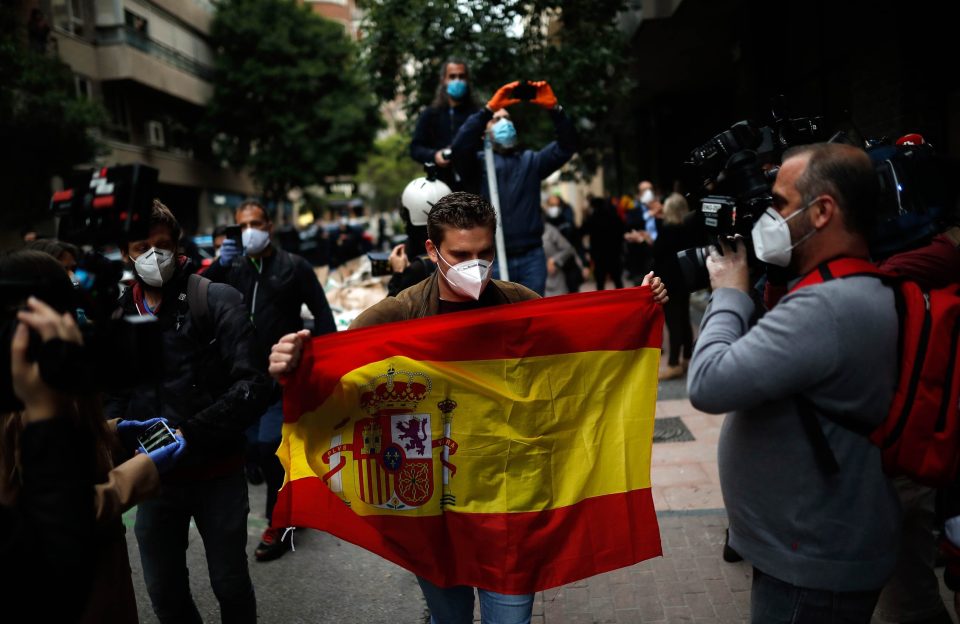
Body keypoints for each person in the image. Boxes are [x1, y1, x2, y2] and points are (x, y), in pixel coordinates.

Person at [268, 192, 667, 624]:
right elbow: (334, 378)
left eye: (483, 253)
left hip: (510, 510)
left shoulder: (520, 306)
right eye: (460, 254)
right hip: (436, 518)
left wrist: (637, 309)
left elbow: (585, 358)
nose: (474, 265)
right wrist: (290, 366)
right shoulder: (398, 316)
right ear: (432, 250)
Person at [687, 143, 901, 622]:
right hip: (812, 552)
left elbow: (707, 383)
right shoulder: (850, 288)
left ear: (822, 211)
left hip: (812, 569)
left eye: (779, 203)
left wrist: (728, 294)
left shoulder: (825, 308)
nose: (769, 217)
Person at [105, 200, 273, 623]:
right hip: (153, 478)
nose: (151, 255)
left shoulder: (215, 298)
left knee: (230, 583)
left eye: (160, 245)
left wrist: (190, 434)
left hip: (217, 471)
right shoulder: (120, 313)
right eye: (140, 246)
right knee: (163, 590)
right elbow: (114, 391)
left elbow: (253, 384)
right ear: (127, 252)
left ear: (178, 245)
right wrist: (119, 429)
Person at [0, 250, 184, 623]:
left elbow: (67, 439)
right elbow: (48, 515)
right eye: (66, 294)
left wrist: (112, 433)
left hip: (104, 572)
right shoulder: (19, 393)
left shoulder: (52, 366)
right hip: (66, 593)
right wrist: (141, 470)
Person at [203, 199, 336, 561]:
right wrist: (220, 263)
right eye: (242, 225)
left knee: (269, 446)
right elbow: (196, 296)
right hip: (241, 378)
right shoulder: (230, 268)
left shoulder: (293, 266)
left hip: (283, 376)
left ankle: (279, 523)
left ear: (269, 226)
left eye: (256, 223)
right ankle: (294, 503)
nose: (250, 231)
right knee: (253, 452)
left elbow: (322, 312)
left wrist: (329, 361)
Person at [451, 80, 577, 296]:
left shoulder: (531, 161)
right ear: (484, 132)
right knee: (501, 319)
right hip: (493, 258)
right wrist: (486, 111)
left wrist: (554, 110)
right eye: (497, 119)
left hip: (532, 258)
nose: (504, 123)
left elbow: (567, 146)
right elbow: (459, 148)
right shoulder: (478, 165)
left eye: (508, 118)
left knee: (531, 318)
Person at [410, 59, 480, 191]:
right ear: (443, 80)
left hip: (474, 189)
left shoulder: (477, 114)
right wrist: (434, 155)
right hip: (440, 189)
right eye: (452, 76)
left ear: (467, 80)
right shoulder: (430, 114)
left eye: (461, 76)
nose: (457, 80)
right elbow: (415, 148)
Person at [649, 193, 696, 380]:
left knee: (673, 322)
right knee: (684, 319)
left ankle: (674, 363)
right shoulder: (687, 228)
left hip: (669, 281)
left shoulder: (668, 230)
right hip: (685, 279)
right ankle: (686, 358)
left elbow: (656, 252)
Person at [582, 197, 625, 290]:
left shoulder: (593, 218)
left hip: (599, 255)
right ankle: (623, 299)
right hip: (613, 253)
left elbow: (582, 231)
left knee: (600, 282)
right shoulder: (613, 216)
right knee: (617, 279)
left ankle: (601, 302)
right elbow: (622, 230)